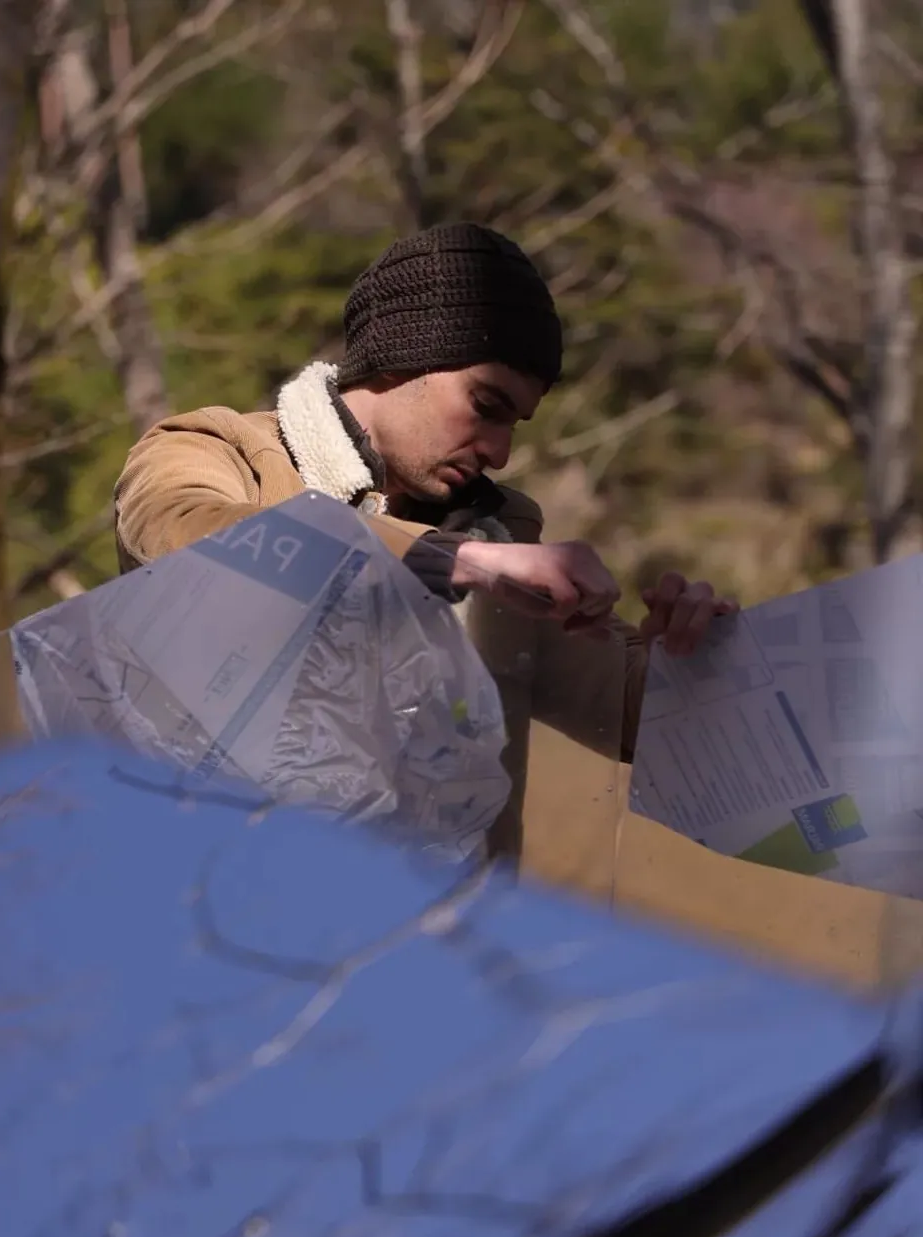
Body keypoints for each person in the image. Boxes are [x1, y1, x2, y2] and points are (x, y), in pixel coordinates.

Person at [114, 222, 736, 857]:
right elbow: (183, 539)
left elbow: (631, 712)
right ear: (400, 358)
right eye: (486, 406)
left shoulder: (500, 532)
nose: (500, 451)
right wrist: (454, 562)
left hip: (437, 945)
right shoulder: (216, 451)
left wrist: (683, 666)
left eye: (515, 423)